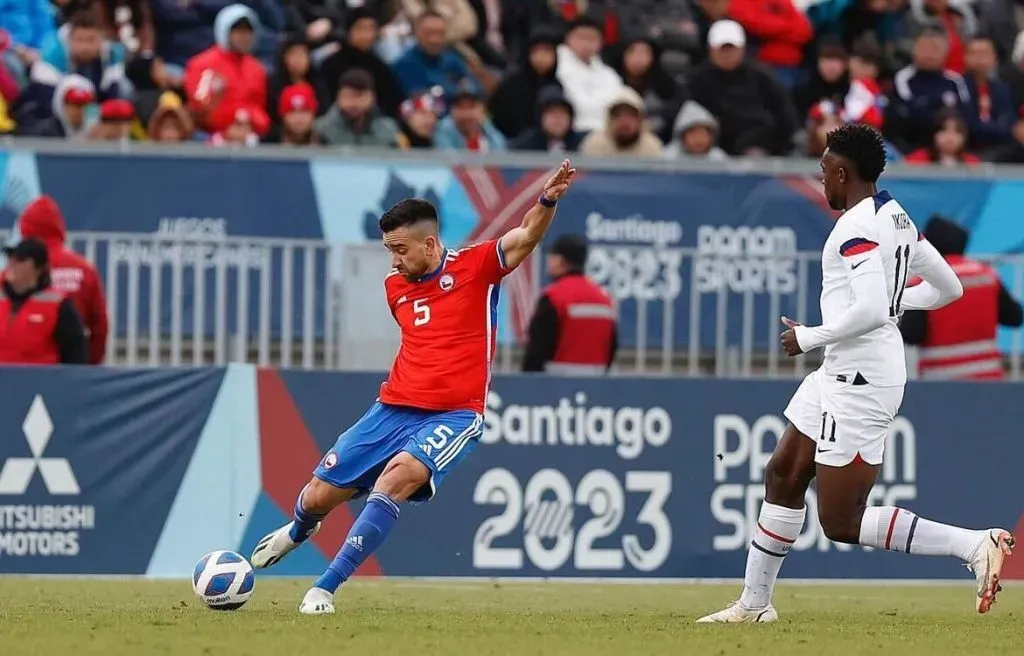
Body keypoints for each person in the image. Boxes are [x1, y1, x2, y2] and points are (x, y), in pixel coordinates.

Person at [696, 124, 1013, 624]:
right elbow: (948, 287)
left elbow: (867, 309)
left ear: (842, 172)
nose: (821, 178)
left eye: (824, 169)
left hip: (861, 378)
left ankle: (975, 545)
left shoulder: (856, 228)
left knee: (841, 521)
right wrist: (892, 302)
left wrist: (810, 337)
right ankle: (754, 605)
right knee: (783, 473)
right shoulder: (895, 215)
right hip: (842, 371)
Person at [250, 161, 578, 615]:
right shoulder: (395, 287)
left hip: (456, 413)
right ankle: (299, 530)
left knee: (395, 479)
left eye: (400, 250)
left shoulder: (477, 267)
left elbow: (524, 236)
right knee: (318, 496)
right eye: (389, 250)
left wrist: (547, 200)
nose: (394, 261)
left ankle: (323, 588)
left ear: (429, 242)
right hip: (391, 409)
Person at [901, 215, 1023, 380]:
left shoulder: (922, 283)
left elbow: (911, 334)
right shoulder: (986, 276)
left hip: (941, 384)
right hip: (988, 381)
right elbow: (1015, 317)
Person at [15, 195, 108, 364]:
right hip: (71, 371)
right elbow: (100, 327)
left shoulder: (17, 271)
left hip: (23, 373)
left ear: (25, 231)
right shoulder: (85, 270)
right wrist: (88, 366)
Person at [522, 234, 616, 374]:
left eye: (552, 256)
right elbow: (612, 346)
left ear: (561, 261)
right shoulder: (604, 299)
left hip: (556, 386)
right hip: (597, 387)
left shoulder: (554, 297)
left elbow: (537, 349)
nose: (549, 262)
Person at [0, 238, 87, 365]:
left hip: (41, 382)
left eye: (20, 259)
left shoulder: (59, 305)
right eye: (10, 258)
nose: (11, 264)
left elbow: (76, 356)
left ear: (38, 268)